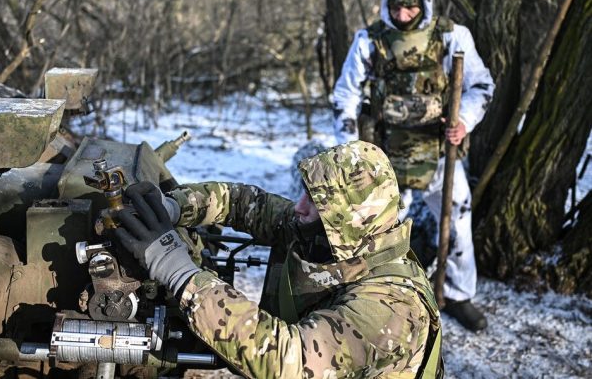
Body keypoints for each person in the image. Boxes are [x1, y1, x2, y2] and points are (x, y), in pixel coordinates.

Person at [114, 141, 443, 378]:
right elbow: (244, 203)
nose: (299, 208)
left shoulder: (390, 308)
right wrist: (175, 207)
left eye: (315, 203)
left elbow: (291, 361)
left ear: (348, 219)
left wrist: (181, 274)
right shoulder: (335, 239)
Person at [331, 0, 494, 331]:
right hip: (384, 152)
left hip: (438, 152)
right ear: (386, 3)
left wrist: (463, 121)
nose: (403, 16)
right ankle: (377, 296)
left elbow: (481, 85)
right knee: (379, 228)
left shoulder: (452, 37)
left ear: (425, 4)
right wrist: (351, 150)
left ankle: (457, 295)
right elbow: (344, 95)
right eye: (396, 7)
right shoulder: (368, 41)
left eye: (411, 7)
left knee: (457, 220)